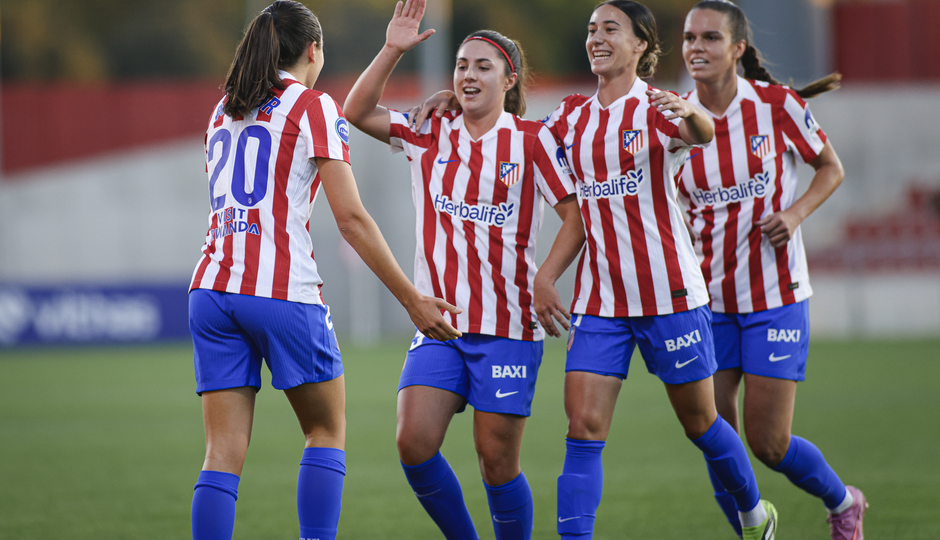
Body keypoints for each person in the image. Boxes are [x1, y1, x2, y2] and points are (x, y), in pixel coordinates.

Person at [186, 2, 461, 539]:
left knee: (220, 454)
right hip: (280, 291)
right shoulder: (312, 106)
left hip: (211, 289)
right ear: (313, 50)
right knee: (324, 431)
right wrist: (411, 299)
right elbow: (353, 220)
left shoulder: (223, 109)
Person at [343, 1, 582, 538]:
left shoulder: (532, 141)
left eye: (482, 66)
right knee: (413, 443)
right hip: (441, 322)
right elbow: (355, 113)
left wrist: (545, 278)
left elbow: (575, 219)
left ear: (509, 78)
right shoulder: (430, 132)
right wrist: (392, 50)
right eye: (461, 65)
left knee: (496, 462)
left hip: (508, 327)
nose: (468, 74)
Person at [677, 2, 866, 538]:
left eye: (711, 37)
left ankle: (843, 502)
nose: (697, 47)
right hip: (707, 302)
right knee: (712, 435)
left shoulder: (775, 107)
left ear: (737, 49)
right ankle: (753, 531)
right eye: (690, 37)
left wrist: (794, 212)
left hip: (774, 297)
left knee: (767, 443)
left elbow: (831, 168)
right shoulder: (674, 119)